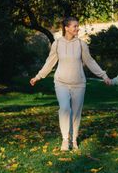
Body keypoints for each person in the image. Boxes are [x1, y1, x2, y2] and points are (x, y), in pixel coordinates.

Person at [30, 17, 111, 151]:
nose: (77, 28)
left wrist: (103, 75)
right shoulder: (57, 44)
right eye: (74, 26)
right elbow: (50, 62)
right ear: (66, 28)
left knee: (76, 113)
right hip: (61, 82)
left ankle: (73, 140)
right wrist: (38, 76)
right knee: (65, 109)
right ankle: (65, 140)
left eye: (78, 26)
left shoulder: (81, 44)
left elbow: (90, 62)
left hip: (79, 84)